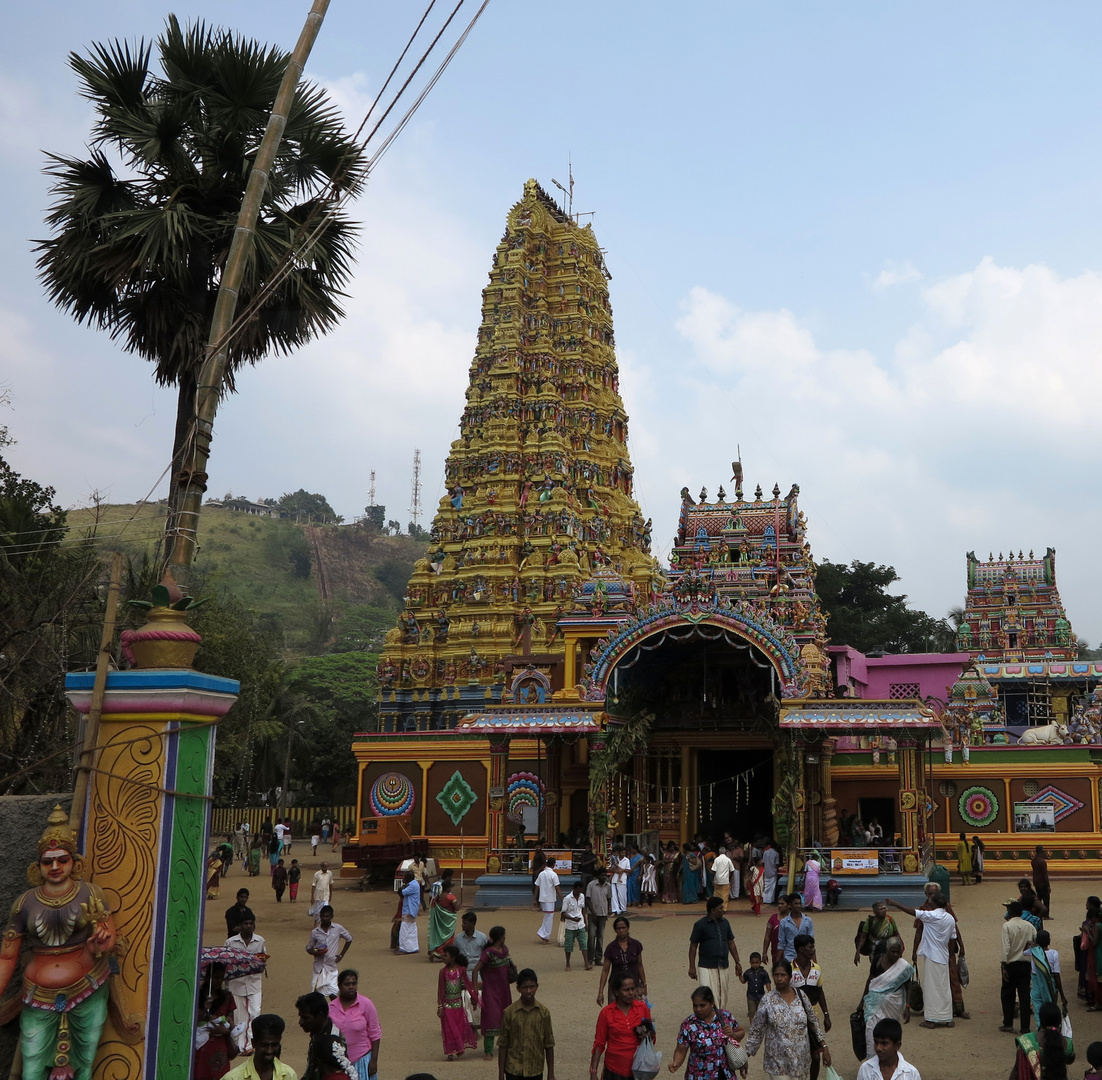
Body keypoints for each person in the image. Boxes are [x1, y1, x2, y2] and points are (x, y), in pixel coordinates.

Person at [0, 807, 127, 1080]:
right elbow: (7, 957)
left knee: (84, 1065)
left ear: (74, 862)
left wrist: (102, 942)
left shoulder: (92, 894)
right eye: (48, 862)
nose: (55, 867)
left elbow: (107, 935)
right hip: (38, 995)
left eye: (62, 860)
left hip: (88, 988)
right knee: (32, 1064)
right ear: (38, 866)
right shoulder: (24, 903)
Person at [744, 958, 831, 1079]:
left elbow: (813, 1023)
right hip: (777, 1063)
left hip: (801, 1062)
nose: (779, 978)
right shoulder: (767, 1000)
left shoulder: (801, 997)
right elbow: (756, 1030)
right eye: (776, 975)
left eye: (783, 975)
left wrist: (824, 1047)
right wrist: (745, 1055)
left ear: (790, 977)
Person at [886, 895, 955, 1029]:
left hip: (932, 956)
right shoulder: (950, 918)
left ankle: (931, 1019)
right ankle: (947, 1017)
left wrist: (894, 903)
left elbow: (912, 912)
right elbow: (953, 938)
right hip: (943, 956)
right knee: (944, 987)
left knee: (931, 988)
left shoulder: (931, 916)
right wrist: (950, 956)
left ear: (934, 904)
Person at [667, 984, 746, 1080]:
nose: (698, 1009)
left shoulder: (725, 1016)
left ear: (712, 1003)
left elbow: (741, 1032)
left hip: (725, 1074)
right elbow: (681, 1050)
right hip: (699, 1075)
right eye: (695, 1005)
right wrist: (676, 1063)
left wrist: (733, 1034)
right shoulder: (688, 1024)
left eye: (702, 1005)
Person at [591, 972, 654, 1080]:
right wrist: (593, 1071)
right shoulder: (606, 1013)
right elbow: (599, 1043)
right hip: (613, 1070)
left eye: (632, 989)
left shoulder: (642, 1009)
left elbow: (652, 1038)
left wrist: (647, 1035)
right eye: (626, 990)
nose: (631, 993)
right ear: (616, 992)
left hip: (639, 1070)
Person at [860, 937, 913, 1060]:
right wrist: (862, 1001)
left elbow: (908, 987)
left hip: (893, 1005)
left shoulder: (903, 967)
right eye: (892, 951)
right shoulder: (878, 960)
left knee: (889, 1034)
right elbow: (870, 980)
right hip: (873, 1003)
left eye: (897, 952)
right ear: (887, 951)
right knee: (870, 1030)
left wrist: (908, 1007)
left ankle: (887, 1060)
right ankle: (872, 1062)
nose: (895, 955)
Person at [498, 968, 555, 1080]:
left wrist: (551, 1074)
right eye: (525, 987)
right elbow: (503, 1044)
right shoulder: (509, 1013)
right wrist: (500, 1075)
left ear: (537, 987)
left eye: (532, 987)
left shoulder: (543, 1013)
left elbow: (549, 1044)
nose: (529, 991)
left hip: (535, 1071)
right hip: (513, 1070)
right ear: (518, 989)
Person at [689, 896, 743, 1011]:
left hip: (723, 964)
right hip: (705, 965)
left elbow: (731, 943)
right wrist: (692, 967)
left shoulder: (725, 923)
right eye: (720, 908)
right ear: (713, 910)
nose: (723, 910)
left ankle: (719, 1018)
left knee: (722, 995)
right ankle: (706, 1018)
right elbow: (693, 946)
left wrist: (737, 962)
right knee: (705, 993)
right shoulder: (700, 925)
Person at [329, 970, 381, 1080]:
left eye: (354, 983)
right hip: (338, 1062)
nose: (351, 987)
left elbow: (375, 1033)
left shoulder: (366, 1004)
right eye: (347, 984)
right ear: (339, 986)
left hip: (362, 1059)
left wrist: (373, 1061)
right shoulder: (331, 1008)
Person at [791, 935, 831, 1080]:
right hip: (794, 1020)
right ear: (801, 949)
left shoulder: (817, 969)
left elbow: (820, 992)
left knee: (815, 1057)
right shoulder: (789, 970)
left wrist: (826, 1015)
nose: (813, 950)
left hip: (812, 1019)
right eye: (810, 947)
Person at [226, 918, 267, 1053]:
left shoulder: (260, 941)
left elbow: (263, 961)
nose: (248, 926)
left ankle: (250, 1045)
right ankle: (241, 1046)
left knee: (255, 1013)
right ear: (239, 926)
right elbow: (226, 963)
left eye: (251, 923)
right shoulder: (231, 942)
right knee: (240, 1017)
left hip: (254, 983)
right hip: (236, 984)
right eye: (245, 924)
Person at [474, 925, 513, 1060]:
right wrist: (474, 990)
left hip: (504, 992)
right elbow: (475, 970)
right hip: (490, 993)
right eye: (503, 936)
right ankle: (488, 1050)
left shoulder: (504, 951)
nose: (505, 938)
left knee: (506, 1018)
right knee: (491, 1019)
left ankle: (506, 1046)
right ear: (500, 938)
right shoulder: (488, 954)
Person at [297, 990, 355, 1080]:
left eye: (305, 1018)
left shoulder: (332, 1042)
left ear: (320, 1015)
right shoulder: (318, 1033)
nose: (301, 1022)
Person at [1009, 1001, 1074, 1080]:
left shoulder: (1026, 1042)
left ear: (1041, 1020)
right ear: (1059, 1022)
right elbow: (1070, 1060)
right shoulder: (1067, 1044)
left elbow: (1016, 1070)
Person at [1001, 899, 1038, 1034]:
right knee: (1024, 995)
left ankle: (1008, 1023)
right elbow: (1035, 941)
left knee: (1007, 993)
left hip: (1011, 964)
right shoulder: (1029, 926)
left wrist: (1003, 964)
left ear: (1009, 912)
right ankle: (1025, 1027)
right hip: (1026, 964)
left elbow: (1006, 946)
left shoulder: (1007, 926)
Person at [223, 1014, 298, 1080]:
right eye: (264, 1045)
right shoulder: (232, 1078)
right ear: (253, 1043)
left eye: (274, 1045)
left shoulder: (290, 1075)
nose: (269, 1051)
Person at [195, 972, 239, 1080]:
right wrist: (205, 1008)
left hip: (220, 1046)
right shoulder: (197, 996)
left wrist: (225, 1030)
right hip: (200, 1047)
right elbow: (191, 1021)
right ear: (207, 978)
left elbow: (230, 1022)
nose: (217, 981)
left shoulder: (227, 997)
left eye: (220, 977)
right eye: (214, 977)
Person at [438, 943, 478, 1060]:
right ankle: (450, 1052)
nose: (443, 958)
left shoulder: (461, 970)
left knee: (459, 1026)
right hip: (447, 1004)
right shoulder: (443, 972)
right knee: (449, 1028)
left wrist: (473, 997)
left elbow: (467, 984)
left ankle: (458, 1047)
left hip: (458, 1004)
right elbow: (440, 989)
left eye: (446, 956)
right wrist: (440, 1006)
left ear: (453, 958)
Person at [597, 917, 646, 1006]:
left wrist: (644, 984)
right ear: (615, 930)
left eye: (623, 928)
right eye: (619, 928)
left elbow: (640, 965)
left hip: (634, 984)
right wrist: (600, 992)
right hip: (616, 987)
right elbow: (605, 970)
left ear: (628, 928)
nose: (621, 930)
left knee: (636, 1012)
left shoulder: (636, 945)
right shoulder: (611, 948)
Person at [307, 905, 353, 999]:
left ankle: (335, 1013)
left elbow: (349, 939)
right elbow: (309, 948)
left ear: (331, 916)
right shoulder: (315, 932)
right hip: (319, 969)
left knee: (334, 996)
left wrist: (341, 955)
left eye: (327, 916)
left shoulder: (338, 928)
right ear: (320, 916)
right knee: (317, 998)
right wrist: (316, 951)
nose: (325, 918)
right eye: (323, 916)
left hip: (331, 968)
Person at [856, 1017, 922, 1080]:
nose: (878, 1048)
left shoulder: (911, 1074)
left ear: (897, 1045)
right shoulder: (866, 1069)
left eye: (884, 1043)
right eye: (876, 1042)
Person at [1029, 928, 1067, 1024]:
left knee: (1038, 1010)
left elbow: (1023, 951)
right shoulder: (1054, 953)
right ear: (1049, 941)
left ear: (1036, 941)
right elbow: (1056, 975)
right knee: (1049, 1008)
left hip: (1036, 985)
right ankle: (1050, 1029)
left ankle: (1040, 1028)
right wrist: (1062, 995)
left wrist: (1028, 943)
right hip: (1050, 986)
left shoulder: (1033, 951)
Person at [854, 901, 900, 968]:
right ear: (875, 911)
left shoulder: (890, 919)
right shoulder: (870, 921)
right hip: (875, 949)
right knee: (876, 968)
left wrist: (899, 948)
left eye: (884, 908)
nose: (884, 910)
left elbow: (896, 934)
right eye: (881, 909)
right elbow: (863, 937)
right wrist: (857, 952)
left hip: (889, 948)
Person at [428, 868, 459, 960]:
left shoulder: (438, 897)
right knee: (448, 937)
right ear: (448, 888)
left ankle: (437, 950)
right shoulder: (451, 897)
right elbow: (456, 908)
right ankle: (442, 952)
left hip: (440, 919)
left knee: (440, 935)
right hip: (449, 920)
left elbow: (432, 902)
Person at [562, 880, 591, 970]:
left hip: (580, 924)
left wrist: (585, 923)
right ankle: (567, 964)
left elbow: (583, 910)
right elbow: (563, 913)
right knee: (568, 946)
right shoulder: (567, 899)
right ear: (574, 889)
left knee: (583, 944)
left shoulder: (582, 896)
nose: (579, 893)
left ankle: (586, 963)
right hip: (570, 926)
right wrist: (572, 918)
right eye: (577, 891)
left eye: (580, 891)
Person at [587, 867, 612, 967]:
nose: (604, 877)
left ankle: (598, 958)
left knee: (600, 937)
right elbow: (588, 899)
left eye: (605, 875)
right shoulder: (591, 885)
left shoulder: (608, 886)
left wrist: (607, 912)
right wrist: (593, 912)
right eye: (602, 875)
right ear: (598, 876)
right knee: (591, 936)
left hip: (602, 914)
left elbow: (609, 899)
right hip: (592, 915)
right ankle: (590, 958)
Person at [777, 893, 814, 962]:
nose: (798, 906)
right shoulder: (784, 922)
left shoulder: (808, 921)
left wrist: (815, 963)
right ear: (790, 905)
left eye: (800, 903)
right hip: (789, 957)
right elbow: (781, 943)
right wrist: (777, 963)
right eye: (796, 904)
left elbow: (811, 943)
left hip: (805, 957)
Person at [456, 910, 490, 980]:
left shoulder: (482, 938)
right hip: (462, 972)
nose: (462, 925)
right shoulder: (458, 938)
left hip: (478, 973)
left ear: (472, 923)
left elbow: (486, 955)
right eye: (462, 923)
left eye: (465, 923)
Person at [534, 857, 562, 943]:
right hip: (549, 899)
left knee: (547, 916)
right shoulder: (553, 875)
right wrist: (562, 898)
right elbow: (557, 887)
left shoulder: (542, 874)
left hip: (542, 898)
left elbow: (536, 886)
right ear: (554, 864)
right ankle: (545, 935)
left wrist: (535, 899)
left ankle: (543, 933)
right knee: (549, 917)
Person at [740, 951, 771, 1021]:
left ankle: (760, 1027)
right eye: (753, 963)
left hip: (761, 995)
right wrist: (739, 975)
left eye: (757, 963)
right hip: (751, 996)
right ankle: (752, 1027)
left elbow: (767, 982)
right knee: (752, 1012)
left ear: (760, 962)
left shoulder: (763, 973)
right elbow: (743, 981)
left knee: (761, 1012)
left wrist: (769, 991)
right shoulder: (748, 972)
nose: (755, 965)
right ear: (750, 962)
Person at [398, 870, 421, 954]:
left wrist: (403, 885)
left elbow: (401, 892)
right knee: (412, 929)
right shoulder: (414, 884)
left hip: (409, 910)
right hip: (412, 910)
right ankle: (413, 947)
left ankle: (404, 949)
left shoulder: (412, 885)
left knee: (404, 930)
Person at [763, 895, 789, 967]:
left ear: (789, 905)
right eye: (779, 904)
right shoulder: (773, 918)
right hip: (776, 951)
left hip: (790, 952)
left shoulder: (793, 919)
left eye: (782, 904)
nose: (780, 906)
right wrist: (764, 953)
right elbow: (767, 936)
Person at [712, 847, 735, 911]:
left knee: (716, 894)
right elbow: (732, 870)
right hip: (725, 880)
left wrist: (714, 878)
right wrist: (730, 878)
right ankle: (723, 908)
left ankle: (716, 907)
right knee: (725, 895)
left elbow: (713, 870)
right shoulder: (728, 860)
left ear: (719, 852)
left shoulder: (716, 859)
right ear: (725, 852)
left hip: (717, 880)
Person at [1032, 846, 1051, 915]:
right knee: (1046, 899)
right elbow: (1045, 874)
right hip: (1043, 883)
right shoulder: (1042, 862)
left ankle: (1036, 911)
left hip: (1036, 882)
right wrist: (1048, 885)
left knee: (1039, 897)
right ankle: (1046, 914)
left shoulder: (1034, 861)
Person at [611, 845, 630, 914]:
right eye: (622, 852)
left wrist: (622, 870)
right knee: (614, 895)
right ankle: (615, 910)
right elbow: (611, 868)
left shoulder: (626, 860)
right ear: (619, 853)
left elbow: (628, 870)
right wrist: (617, 871)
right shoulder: (615, 859)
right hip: (614, 878)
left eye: (624, 853)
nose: (623, 854)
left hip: (622, 879)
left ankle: (623, 909)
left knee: (622, 895)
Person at [762, 841, 782, 905]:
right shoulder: (776, 853)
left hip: (766, 871)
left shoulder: (765, 852)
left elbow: (763, 862)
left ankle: (764, 899)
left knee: (765, 886)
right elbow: (777, 864)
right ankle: (770, 900)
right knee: (772, 887)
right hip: (773, 872)